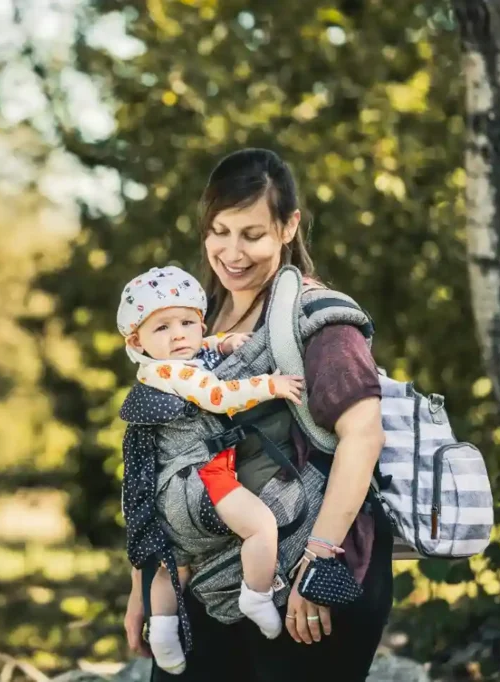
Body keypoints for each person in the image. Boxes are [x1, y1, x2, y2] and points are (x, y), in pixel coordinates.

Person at [122, 148, 393, 681]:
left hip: (304, 574)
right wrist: (144, 585)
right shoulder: (194, 324)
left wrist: (318, 562)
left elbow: (363, 434)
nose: (231, 252)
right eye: (219, 231)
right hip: (203, 578)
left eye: (251, 234)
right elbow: (156, 454)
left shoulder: (318, 316)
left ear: (289, 226)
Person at [115, 265, 304, 673]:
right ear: (137, 340)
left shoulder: (157, 367)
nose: (179, 334)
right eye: (162, 328)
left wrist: (220, 344)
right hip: (202, 480)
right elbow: (218, 395)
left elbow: (197, 350)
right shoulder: (176, 372)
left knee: (173, 566)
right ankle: (256, 594)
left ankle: (164, 635)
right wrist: (270, 385)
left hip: (168, 494)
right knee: (261, 526)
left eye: (188, 322)